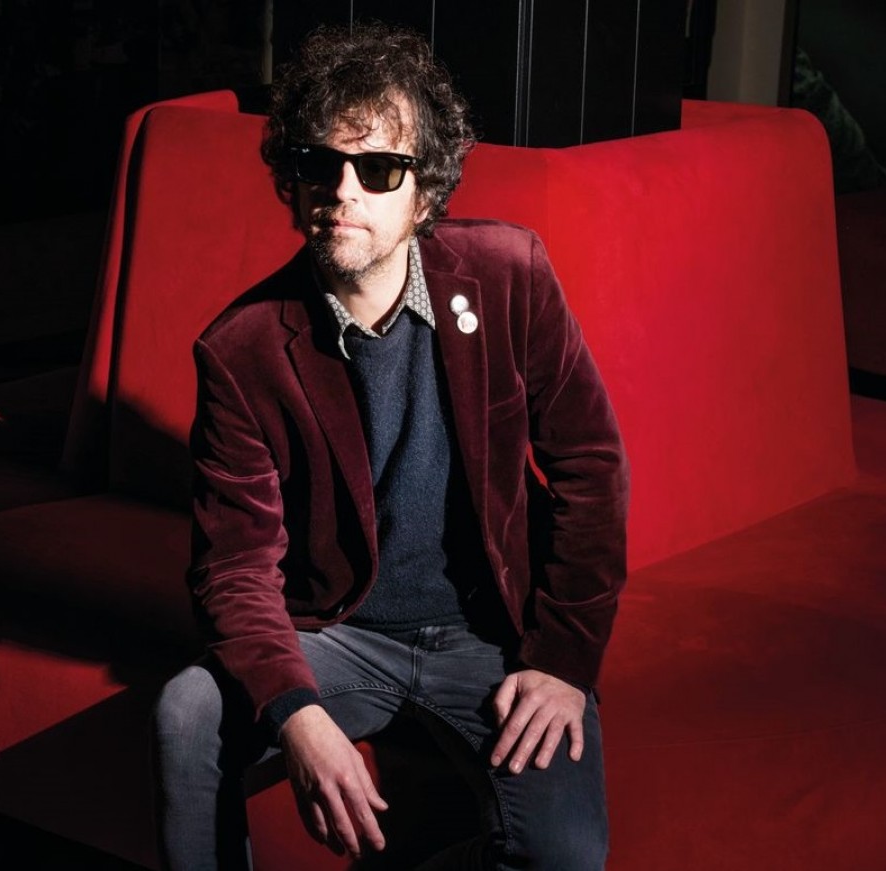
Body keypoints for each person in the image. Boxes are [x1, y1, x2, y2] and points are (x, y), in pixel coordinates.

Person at [152, 21, 629, 871]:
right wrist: (298, 713)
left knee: (565, 856)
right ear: (292, 181)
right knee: (187, 713)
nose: (343, 191)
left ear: (426, 188)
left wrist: (563, 660)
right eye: (319, 164)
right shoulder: (241, 349)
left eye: (377, 169)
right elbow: (233, 569)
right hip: (339, 634)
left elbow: (591, 471)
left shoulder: (510, 276)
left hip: (492, 634)